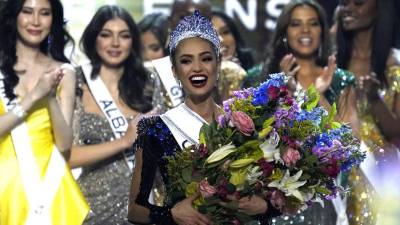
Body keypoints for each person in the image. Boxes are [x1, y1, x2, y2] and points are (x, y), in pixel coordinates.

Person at [128, 10, 280, 225]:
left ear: (218, 64)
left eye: (206, 58)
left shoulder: (246, 124)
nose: (197, 68)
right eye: (186, 61)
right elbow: (134, 210)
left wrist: (265, 206)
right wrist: (171, 214)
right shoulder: (155, 129)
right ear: (174, 70)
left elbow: (277, 199)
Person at [261, 0, 358, 224]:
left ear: (322, 31)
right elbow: (255, 140)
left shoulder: (341, 79)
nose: (305, 30)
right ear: (285, 32)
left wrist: (318, 95)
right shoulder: (261, 78)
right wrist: (281, 90)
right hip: (275, 201)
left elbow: (351, 141)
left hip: (325, 201)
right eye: (296, 24)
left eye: (313, 23)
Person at [68, 5, 159, 225]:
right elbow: (67, 157)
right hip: (94, 205)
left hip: (146, 203)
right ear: (93, 39)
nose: (115, 43)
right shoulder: (75, 82)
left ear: (133, 41)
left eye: (124, 36)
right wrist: (124, 141)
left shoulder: (150, 82)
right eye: (106, 35)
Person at [0, 0, 88, 224]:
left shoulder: (64, 72)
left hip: (49, 188)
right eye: (27, 12)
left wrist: (49, 97)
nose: (36, 21)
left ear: (53, 19)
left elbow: (65, 144)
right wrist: (33, 97)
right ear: (14, 16)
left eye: (45, 13)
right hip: (5, 190)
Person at [336, 0, 400, 224]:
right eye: (344, 3)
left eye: (358, 3)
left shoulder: (396, 64)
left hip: (380, 170)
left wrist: (374, 99)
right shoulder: (331, 61)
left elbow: (395, 131)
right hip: (337, 166)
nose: (349, 9)